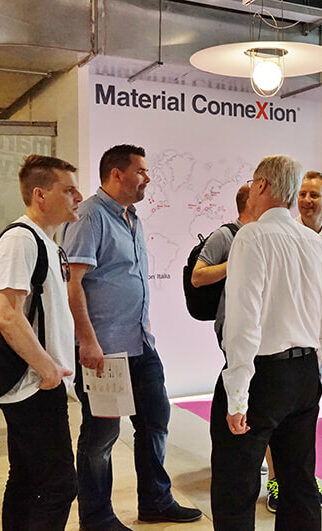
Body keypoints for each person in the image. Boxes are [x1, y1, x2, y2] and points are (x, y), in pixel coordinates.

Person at [63, 144, 202, 530]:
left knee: (156, 419)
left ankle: (155, 501)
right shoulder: (90, 216)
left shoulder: (132, 217)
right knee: (102, 434)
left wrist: (146, 324)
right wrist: (87, 341)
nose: (147, 178)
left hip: (140, 343)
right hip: (104, 351)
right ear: (117, 174)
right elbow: (73, 285)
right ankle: (96, 517)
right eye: (141, 171)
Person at [211, 155, 322, 530]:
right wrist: (312, 362)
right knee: (299, 482)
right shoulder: (313, 241)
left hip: (263, 375)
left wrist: (237, 395)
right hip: (304, 372)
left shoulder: (251, 236)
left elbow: (243, 322)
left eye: (252, 183)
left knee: (236, 485)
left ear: (262, 185)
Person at [0, 155, 81, 530]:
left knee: (27, 478)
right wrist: (46, 369)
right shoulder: (21, 239)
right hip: (32, 383)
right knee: (59, 485)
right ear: (40, 194)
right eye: (69, 190)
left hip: (39, 382)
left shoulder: (47, 242)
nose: (78, 197)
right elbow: (7, 314)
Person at [259, 170, 322, 513]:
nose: (307, 200)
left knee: (304, 424)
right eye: (303, 194)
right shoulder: (282, 235)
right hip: (278, 345)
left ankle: (304, 480)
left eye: (315, 195)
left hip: (314, 346)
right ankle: (276, 481)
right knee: (275, 420)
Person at [191, 183, 254, 345]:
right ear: (250, 202)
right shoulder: (224, 235)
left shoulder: (260, 235)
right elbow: (197, 277)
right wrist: (235, 262)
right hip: (232, 328)